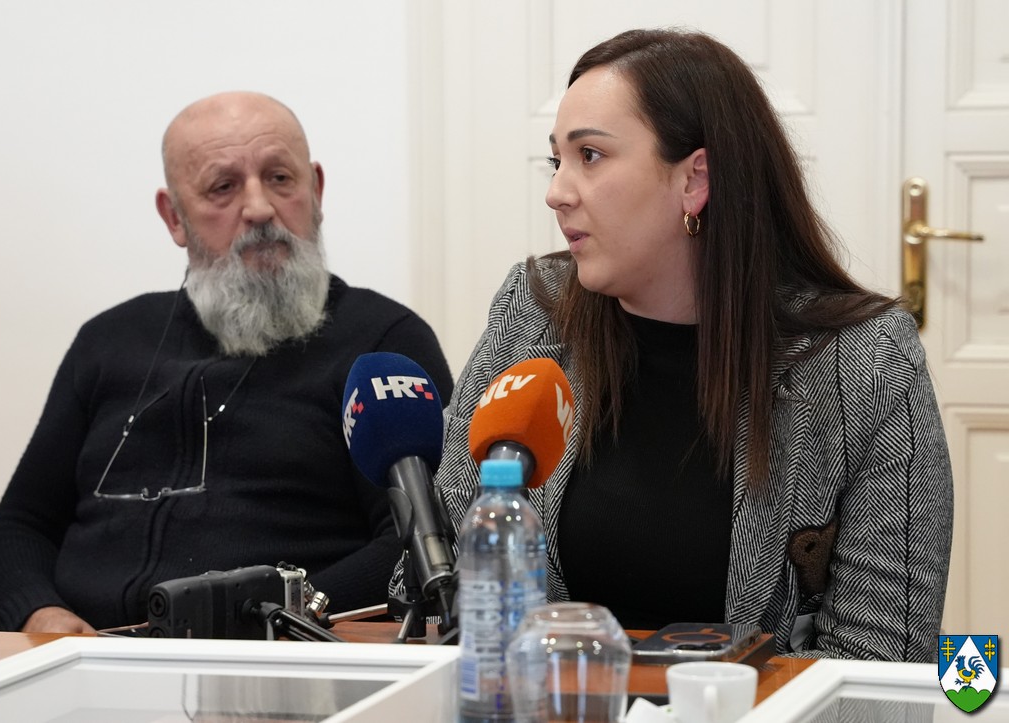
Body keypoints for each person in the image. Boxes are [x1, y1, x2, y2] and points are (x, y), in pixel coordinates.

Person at [396, 29, 953, 661]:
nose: (557, 192)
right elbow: (441, 582)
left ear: (695, 180)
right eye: (557, 161)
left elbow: (880, 657)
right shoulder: (534, 310)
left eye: (590, 156)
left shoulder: (865, 357)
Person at [0, 91, 453, 634]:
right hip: (85, 654)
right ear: (174, 217)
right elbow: (20, 527)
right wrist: (41, 615)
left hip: (280, 657)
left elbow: (420, 542)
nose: (259, 208)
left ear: (316, 190)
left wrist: (279, 616)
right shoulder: (106, 340)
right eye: (223, 187)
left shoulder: (382, 343)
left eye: (280, 178)